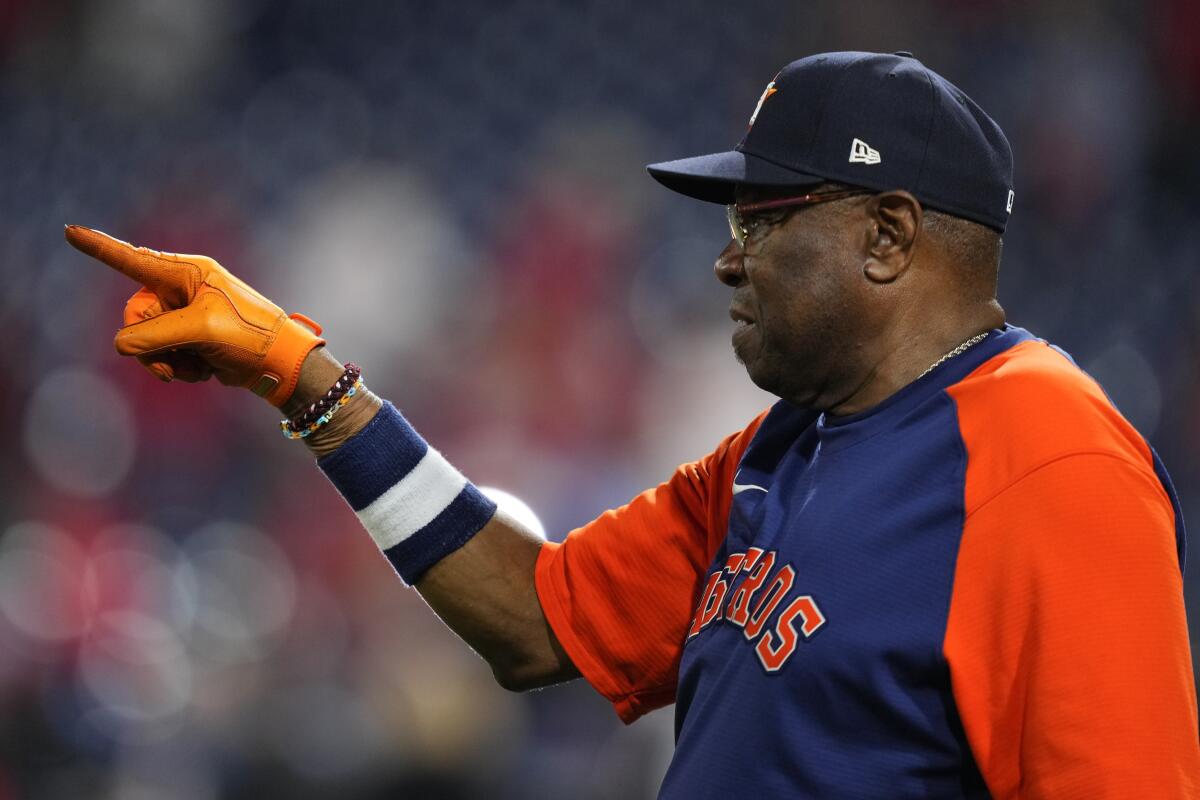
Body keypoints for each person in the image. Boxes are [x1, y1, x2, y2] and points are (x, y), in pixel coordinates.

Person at [67, 51, 1198, 798]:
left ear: (890, 236)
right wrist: (307, 381)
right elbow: (538, 619)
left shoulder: (1052, 458)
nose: (725, 257)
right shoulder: (783, 447)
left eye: (763, 221)